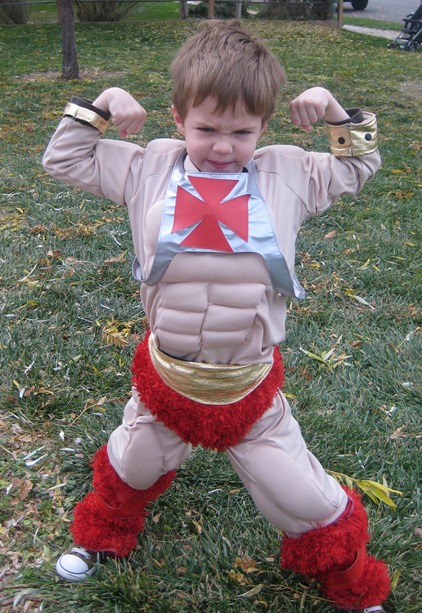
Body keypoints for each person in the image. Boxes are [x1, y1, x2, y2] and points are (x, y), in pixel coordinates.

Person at [42, 20, 390, 612]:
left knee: (304, 499)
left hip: (247, 389)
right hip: (167, 380)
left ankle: (355, 584)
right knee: (131, 465)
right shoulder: (146, 167)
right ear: (178, 117)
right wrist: (101, 105)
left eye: (241, 132)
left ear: (264, 127)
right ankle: (102, 536)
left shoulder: (289, 173)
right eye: (206, 129)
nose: (223, 147)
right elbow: (64, 159)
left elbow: (358, 165)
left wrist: (335, 111)